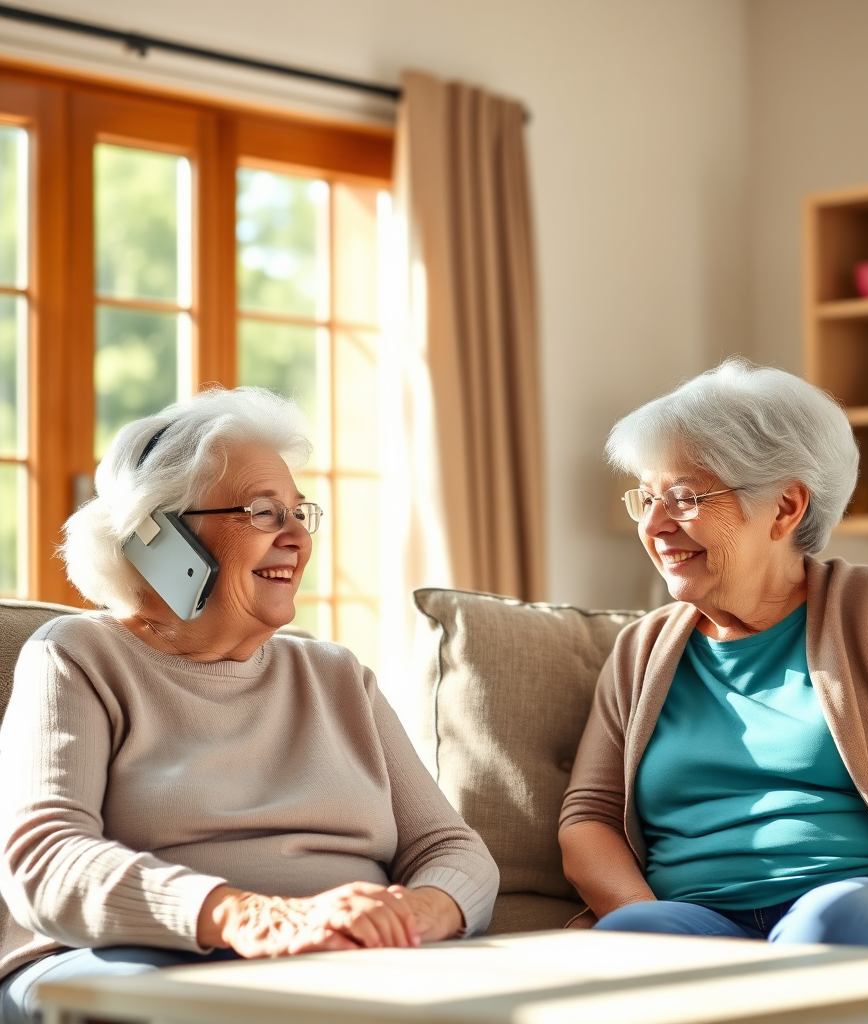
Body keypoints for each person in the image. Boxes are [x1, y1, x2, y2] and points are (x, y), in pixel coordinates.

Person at [0, 387, 498, 1024]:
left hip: (342, 963)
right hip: (129, 955)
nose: (295, 537)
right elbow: (47, 861)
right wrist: (253, 916)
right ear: (159, 536)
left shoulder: (338, 675)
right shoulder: (79, 656)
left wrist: (417, 914)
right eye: (264, 512)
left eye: (299, 512)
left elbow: (451, 849)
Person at [559, 358, 868, 951]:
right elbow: (589, 819)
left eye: (681, 497)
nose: (654, 525)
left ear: (785, 507)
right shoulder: (642, 651)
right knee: (629, 936)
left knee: (826, 926)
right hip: (697, 916)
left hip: (861, 898)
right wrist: (651, 923)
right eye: (645, 498)